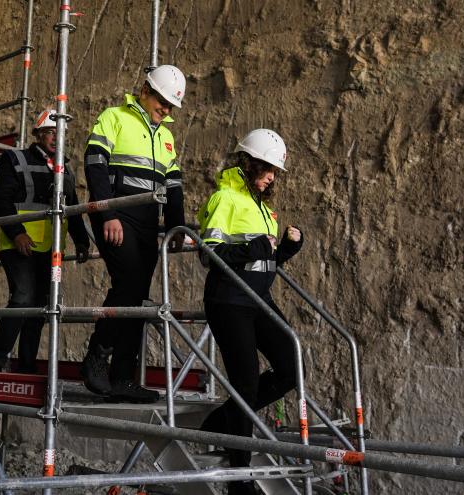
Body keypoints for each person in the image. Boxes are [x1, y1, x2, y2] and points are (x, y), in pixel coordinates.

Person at [196, 129, 303, 495]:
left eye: (276, 170)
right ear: (249, 161)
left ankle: (222, 420)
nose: (273, 175)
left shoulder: (261, 206)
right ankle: (239, 478)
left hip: (257, 300)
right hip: (228, 301)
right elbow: (207, 253)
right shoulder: (225, 198)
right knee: (246, 383)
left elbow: (265, 260)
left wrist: (287, 250)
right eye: (269, 167)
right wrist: (253, 248)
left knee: (292, 367)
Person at [81, 65, 188, 403]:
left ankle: (123, 378)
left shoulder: (167, 136)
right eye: (163, 101)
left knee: (138, 296)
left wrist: (176, 229)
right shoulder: (114, 117)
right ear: (145, 90)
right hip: (115, 214)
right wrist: (107, 213)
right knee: (127, 283)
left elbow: (173, 188)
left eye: (171, 106)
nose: (166, 110)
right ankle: (98, 355)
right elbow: (94, 164)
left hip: (146, 223)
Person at [0, 109, 90, 373]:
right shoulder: (16, 159)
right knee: (22, 297)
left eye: (61, 133)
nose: (56, 138)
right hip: (19, 243)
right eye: (51, 133)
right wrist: (17, 232)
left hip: (51, 248)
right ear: (39, 134)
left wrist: (81, 241)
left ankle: (27, 365)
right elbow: (1, 201)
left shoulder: (64, 168)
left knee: (41, 304)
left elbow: (72, 207)